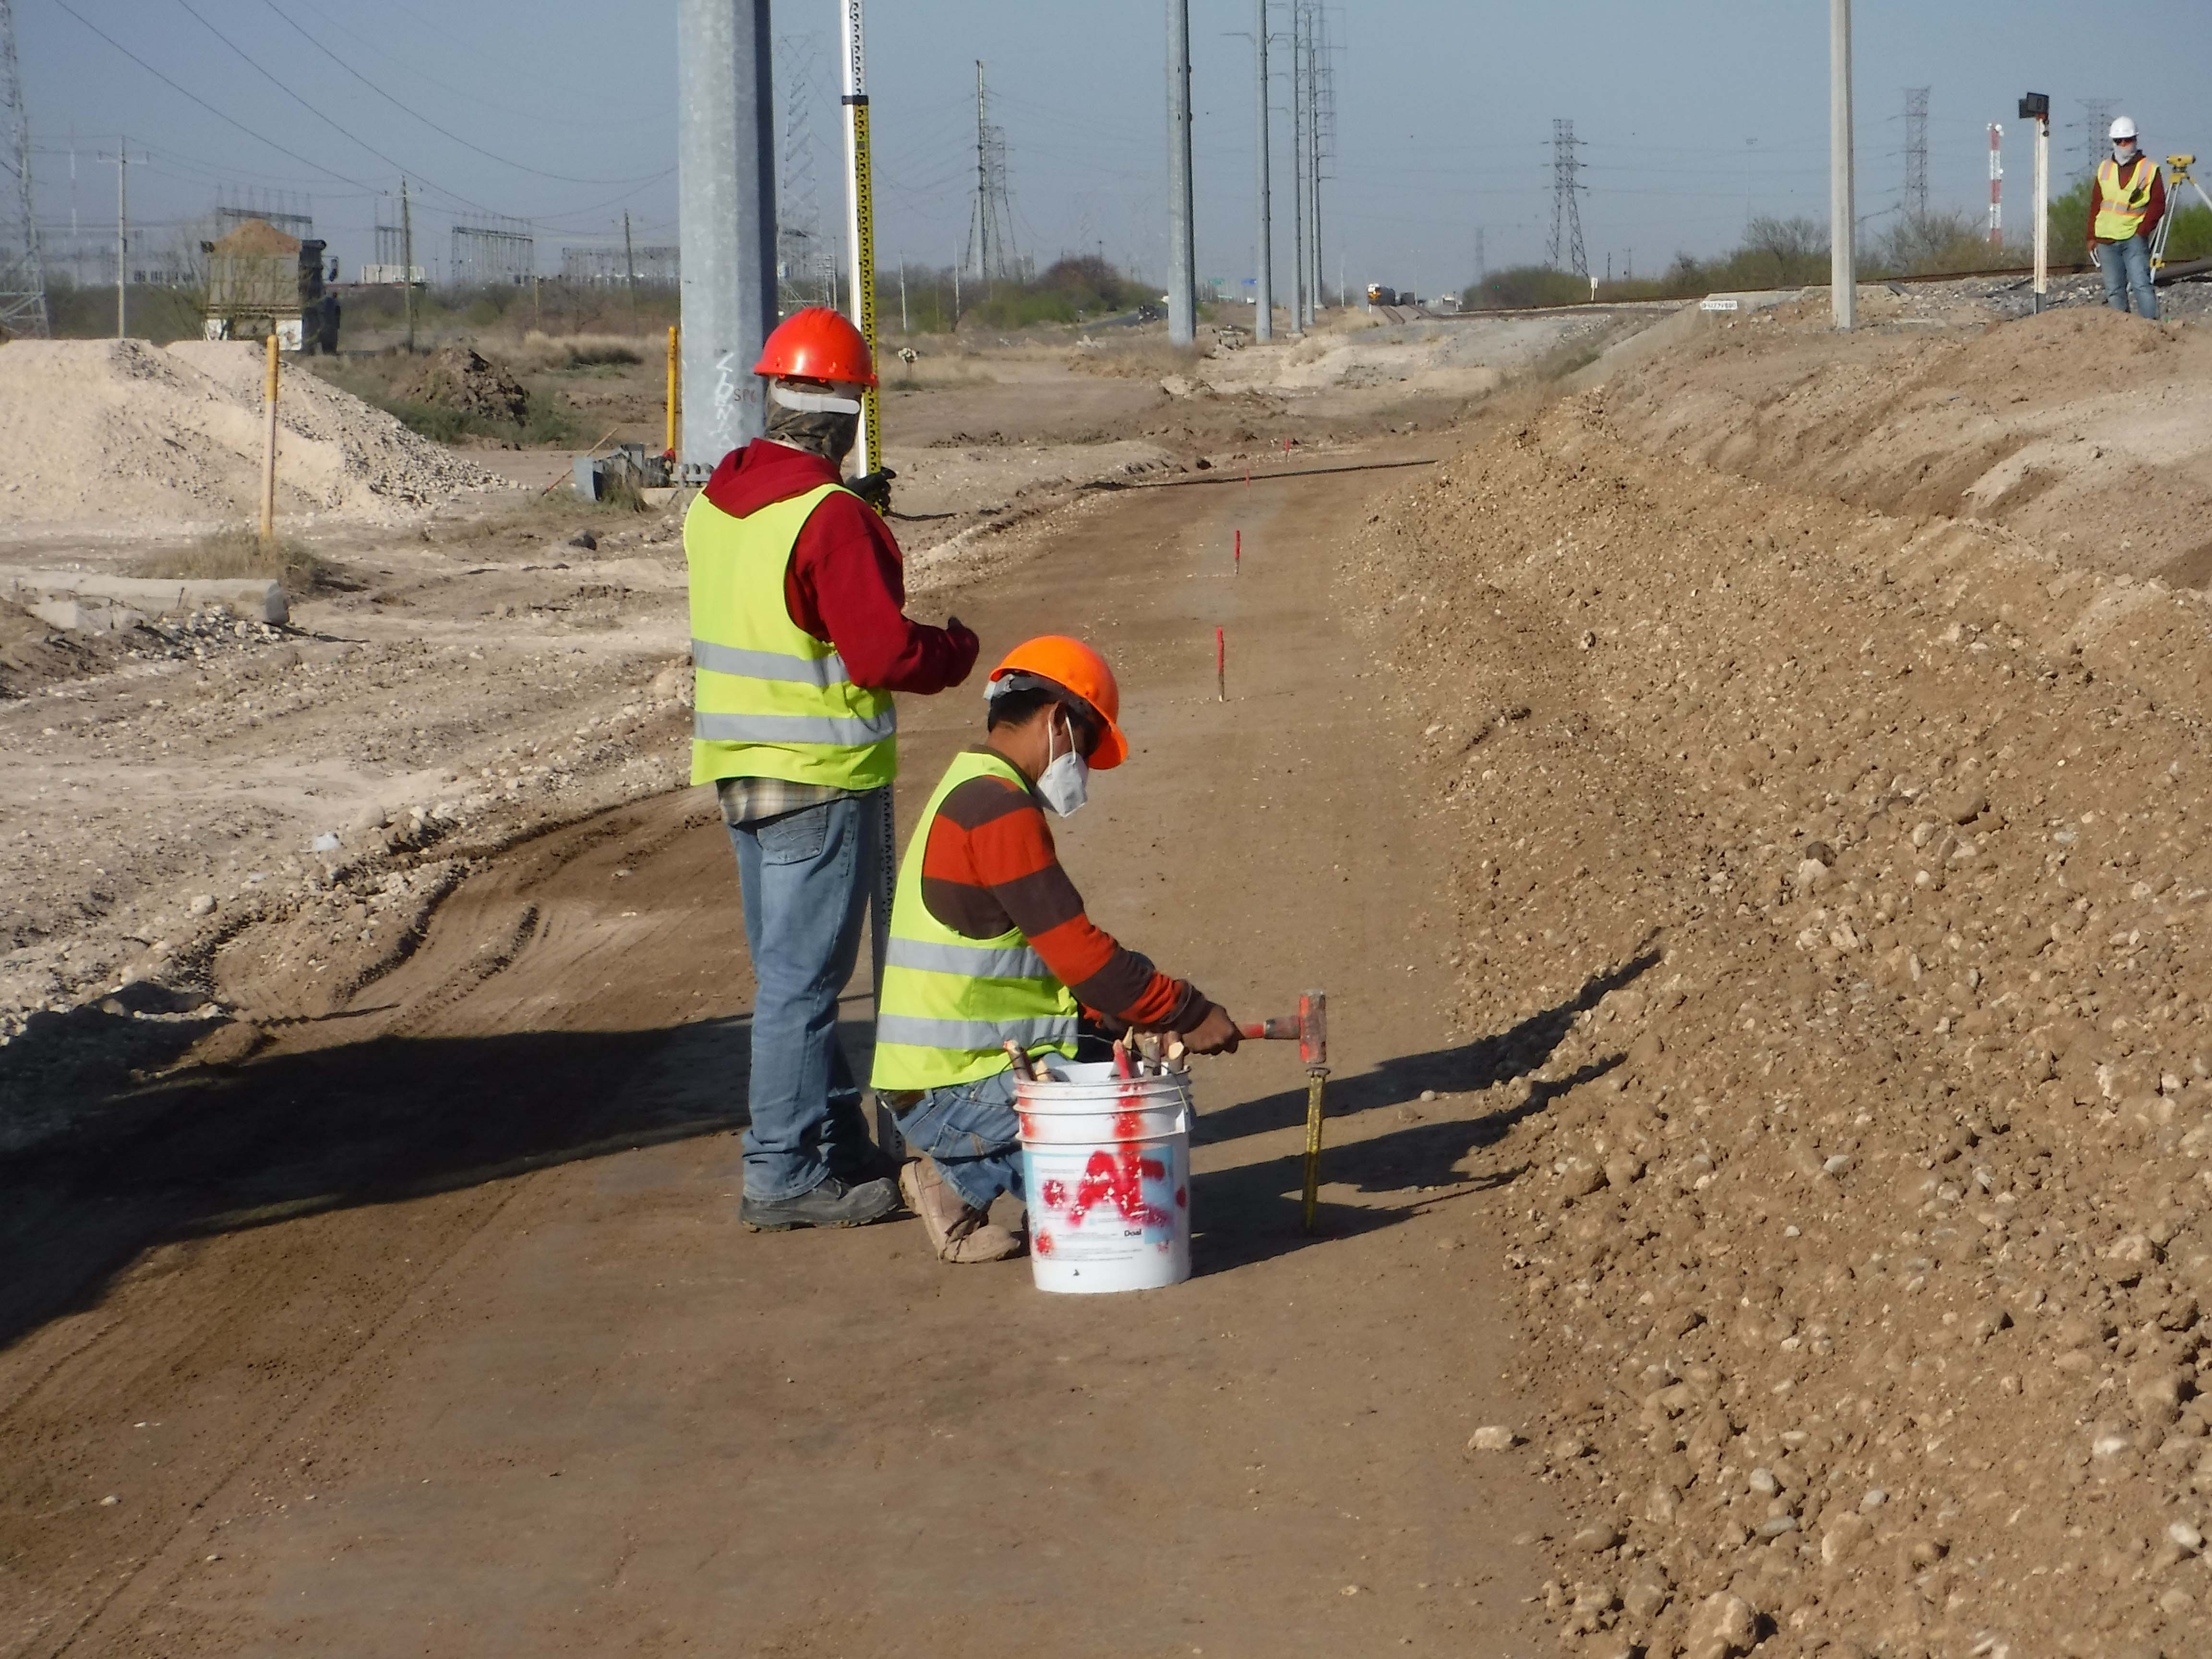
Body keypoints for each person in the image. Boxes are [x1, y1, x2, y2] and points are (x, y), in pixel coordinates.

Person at [687, 305, 979, 1232]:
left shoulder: (718, 503)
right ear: (851, 408)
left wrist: (853, 516)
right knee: (804, 987)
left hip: (741, 772)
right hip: (820, 773)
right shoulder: (829, 518)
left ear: (771, 397)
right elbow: (883, 654)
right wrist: (956, 649)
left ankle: (830, 1140)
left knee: (791, 978)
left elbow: (788, 594)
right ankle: (781, 1173)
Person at [870, 637, 1242, 1263]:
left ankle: (963, 1178)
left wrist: (1121, 1016)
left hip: (942, 1079)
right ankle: (960, 1176)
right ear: (1057, 721)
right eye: (1088, 747)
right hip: (947, 1092)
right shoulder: (997, 810)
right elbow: (1085, 959)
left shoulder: (973, 784)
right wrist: (1186, 1011)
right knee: (1140, 1129)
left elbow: (1045, 962)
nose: (1086, 767)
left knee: (1120, 1057)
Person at [2091, 117, 2165, 320]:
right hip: (2106, 238)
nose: (2123, 145)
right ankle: (2123, 333)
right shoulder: (2104, 168)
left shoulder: (2150, 169)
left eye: (2128, 140)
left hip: (2133, 237)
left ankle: (2151, 328)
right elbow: (2096, 203)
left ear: (2135, 140)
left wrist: (2142, 230)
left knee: (2141, 284)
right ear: (2113, 142)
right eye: (2119, 141)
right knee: (2114, 290)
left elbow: (2158, 204)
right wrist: (2091, 235)